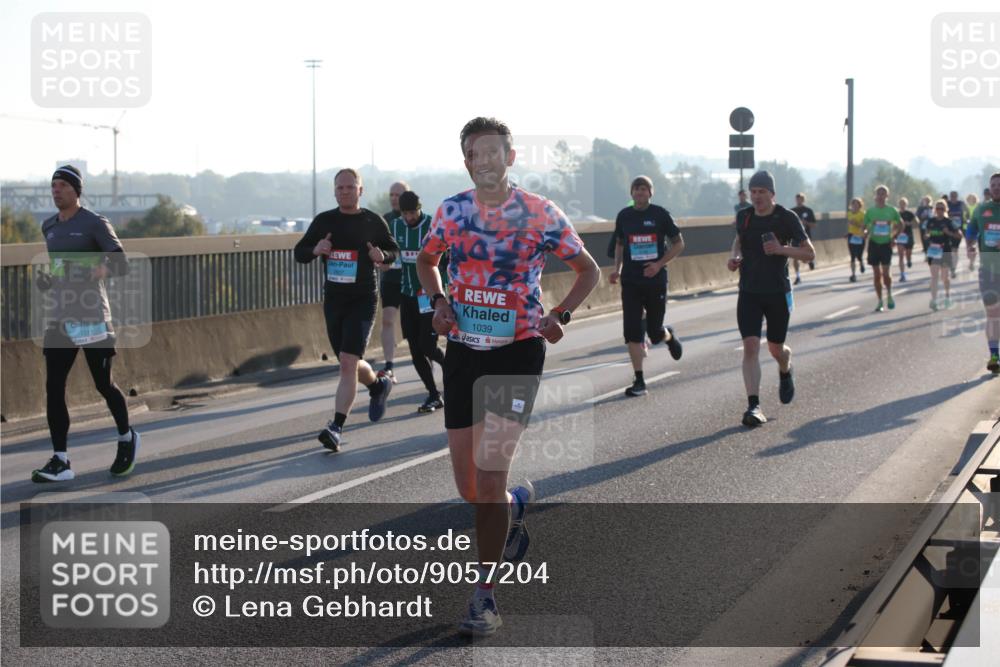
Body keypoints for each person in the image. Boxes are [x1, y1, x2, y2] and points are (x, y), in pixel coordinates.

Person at [416, 117, 600, 636]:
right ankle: (514, 505)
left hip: (518, 352)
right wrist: (438, 302)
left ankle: (484, 598)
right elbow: (428, 260)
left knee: (491, 473)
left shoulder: (540, 213)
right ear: (468, 160)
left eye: (497, 152)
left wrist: (559, 315)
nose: (488, 160)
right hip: (463, 354)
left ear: (511, 158)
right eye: (478, 152)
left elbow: (588, 269)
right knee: (470, 487)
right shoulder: (451, 211)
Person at [32, 165, 140, 483]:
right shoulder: (48, 226)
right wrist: (48, 280)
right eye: (53, 185)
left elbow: (120, 262)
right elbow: (60, 270)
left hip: (93, 317)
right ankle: (61, 461)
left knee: (103, 384)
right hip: (61, 318)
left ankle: (126, 437)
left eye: (62, 185)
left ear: (76, 191)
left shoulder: (94, 222)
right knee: (53, 387)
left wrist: (98, 271)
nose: (56, 190)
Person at [294, 169, 400, 452]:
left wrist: (382, 256)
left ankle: (336, 427)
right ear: (334, 191)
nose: (344, 191)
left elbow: (393, 250)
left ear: (360, 191)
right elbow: (299, 252)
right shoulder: (325, 221)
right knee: (347, 361)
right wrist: (316, 249)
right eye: (340, 187)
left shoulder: (372, 221)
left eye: (350, 187)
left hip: (363, 299)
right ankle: (378, 386)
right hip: (334, 299)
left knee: (346, 363)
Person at [727, 170, 815, 427]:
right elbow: (738, 241)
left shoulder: (786, 218)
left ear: (772, 194)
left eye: (761, 192)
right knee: (751, 346)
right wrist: (734, 258)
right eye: (753, 192)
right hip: (749, 291)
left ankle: (786, 368)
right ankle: (753, 406)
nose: (756, 197)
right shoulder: (744, 216)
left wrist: (780, 249)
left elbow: (809, 253)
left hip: (777, 291)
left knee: (776, 348)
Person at [609, 176, 685, 397]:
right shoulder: (624, 216)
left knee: (654, 331)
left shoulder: (660, 215)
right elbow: (620, 244)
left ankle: (668, 336)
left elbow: (679, 243)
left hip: (655, 280)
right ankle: (640, 380)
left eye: (644, 190)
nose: (640, 193)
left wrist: (659, 264)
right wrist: (618, 269)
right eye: (636, 189)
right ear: (631, 193)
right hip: (631, 281)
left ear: (650, 193)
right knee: (632, 333)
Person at [395, 190, 447, 412]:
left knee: (428, 345)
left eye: (412, 212)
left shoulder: (431, 225)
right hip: (407, 295)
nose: (409, 218)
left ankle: (454, 368)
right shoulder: (396, 226)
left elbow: (444, 258)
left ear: (419, 208)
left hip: (428, 296)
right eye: (405, 213)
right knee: (415, 349)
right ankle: (433, 395)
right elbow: (390, 251)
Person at [965, 172, 1000, 374]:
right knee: (993, 314)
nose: (996, 187)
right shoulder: (982, 209)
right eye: (993, 184)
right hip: (988, 271)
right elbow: (971, 231)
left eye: (999, 184)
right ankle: (994, 355)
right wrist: (969, 245)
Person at [377, 181, 410, 384]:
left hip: (411, 281)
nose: (394, 198)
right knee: (387, 320)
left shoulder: (415, 219)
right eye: (391, 194)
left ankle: (427, 357)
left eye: (398, 194)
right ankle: (389, 366)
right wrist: (380, 262)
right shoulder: (384, 220)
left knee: (413, 327)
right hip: (390, 278)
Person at [862, 185, 901, 311]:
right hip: (874, 243)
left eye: (883, 194)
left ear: (887, 196)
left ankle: (889, 294)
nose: (880, 196)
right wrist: (866, 231)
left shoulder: (892, 210)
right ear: (875, 196)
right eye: (879, 193)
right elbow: (864, 226)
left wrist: (894, 237)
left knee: (886, 274)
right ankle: (880, 301)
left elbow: (901, 224)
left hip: (886, 244)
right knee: (876, 274)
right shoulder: (870, 211)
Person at [925, 199, 961, 310]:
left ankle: (947, 297)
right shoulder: (930, 221)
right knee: (934, 276)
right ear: (935, 209)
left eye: (942, 208)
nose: (939, 210)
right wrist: (927, 236)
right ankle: (934, 300)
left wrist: (948, 233)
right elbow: (926, 232)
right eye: (938, 208)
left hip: (945, 251)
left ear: (945, 209)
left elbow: (959, 235)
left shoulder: (949, 222)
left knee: (945, 277)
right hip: (933, 251)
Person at [790, 192, 817, 284]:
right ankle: (797, 276)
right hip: (795, 237)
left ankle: (811, 261)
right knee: (795, 257)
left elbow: (814, 224)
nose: (798, 201)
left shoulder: (808, 210)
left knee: (807, 256)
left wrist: (806, 223)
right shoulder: (792, 211)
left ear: (803, 200)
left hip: (806, 237)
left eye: (800, 199)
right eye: (797, 199)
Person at [947, 191, 970, 279]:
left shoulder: (961, 204)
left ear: (957, 196)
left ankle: (953, 269)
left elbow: (967, 213)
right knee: (948, 250)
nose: (953, 197)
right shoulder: (947, 204)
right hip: (948, 230)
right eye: (952, 196)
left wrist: (966, 220)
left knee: (955, 250)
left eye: (955, 196)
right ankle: (950, 266)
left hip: (958, 230)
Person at [895, 197, 918, 281]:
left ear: (906, 205)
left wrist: (910, 223)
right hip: (900, 236)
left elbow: (917, 223)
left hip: (908, 235)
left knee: (908, 253)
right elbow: (893, 224)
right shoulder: (897, 214)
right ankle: (902, 274)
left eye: (903, 204)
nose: (902, 205)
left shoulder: (910, 213)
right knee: (901, 255)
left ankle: (909, 260)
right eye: (901, 204)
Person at [846, 197, 866, 282]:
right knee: (852, 256)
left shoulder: (863, 214)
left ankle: (861, 263)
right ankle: (853, 274)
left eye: (856, 204)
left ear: (860, 205)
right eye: (853, 204)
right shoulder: (849, 213)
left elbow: (864, 226)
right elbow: (849, 225)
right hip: (852, 236)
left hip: (860, 236)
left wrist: (857, 224)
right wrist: (847, 233)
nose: (854, 206)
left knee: (859, 255)